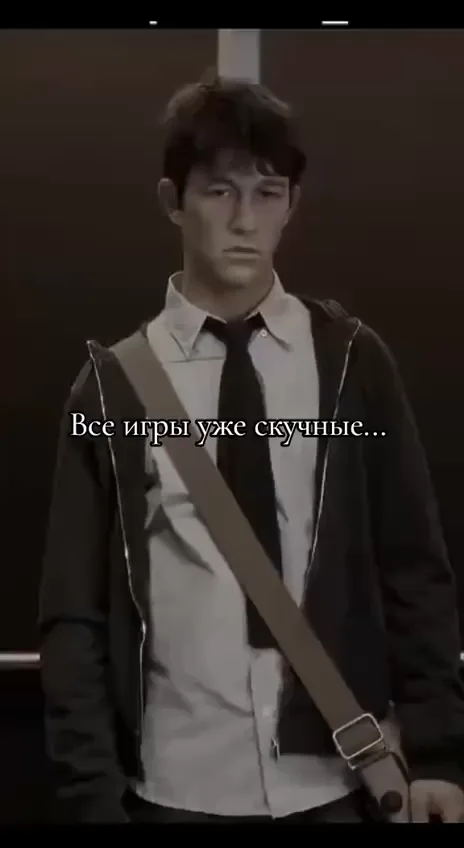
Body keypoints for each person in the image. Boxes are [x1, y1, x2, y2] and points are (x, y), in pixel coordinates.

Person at [39, 73, 464, 824]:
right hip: (172, 788)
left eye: (267, 194)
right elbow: (74, 615)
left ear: (292, 205)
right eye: (219, 192)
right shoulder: (112, 390)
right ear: (173, 200)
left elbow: (413, 566)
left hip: (336, 783)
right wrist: (92, 797)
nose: (245, 220)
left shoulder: (351, 365)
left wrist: (435, 754)